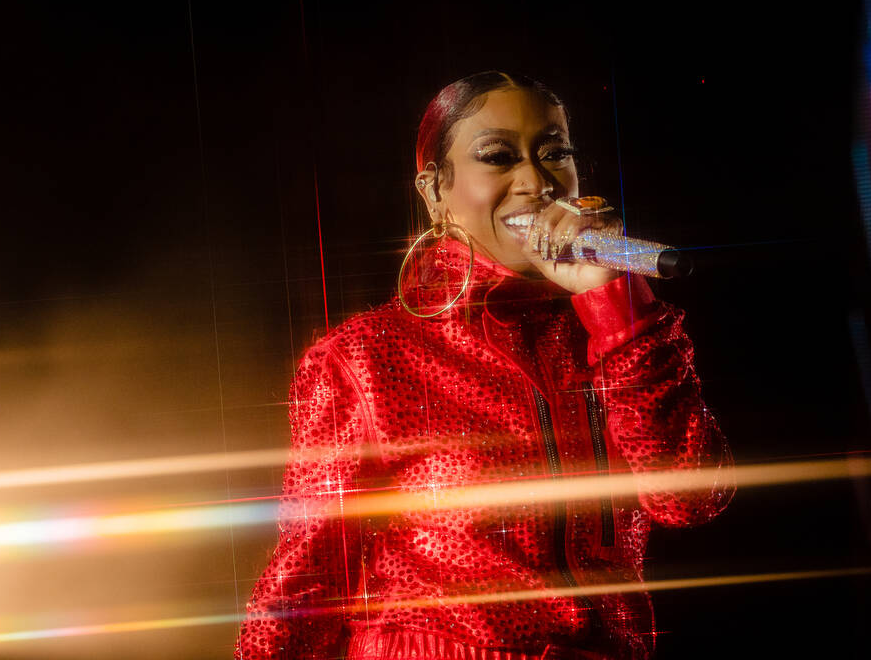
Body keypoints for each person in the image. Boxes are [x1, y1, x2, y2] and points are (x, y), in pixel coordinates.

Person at [236, 71, 733, 660]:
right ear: (434, 192)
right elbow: (305, 583)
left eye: (556, 153)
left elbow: (690, 499)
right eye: (498, 157)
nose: (536, 181)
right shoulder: (366, 357)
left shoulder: (617, 336)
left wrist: (618, 314)